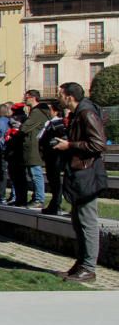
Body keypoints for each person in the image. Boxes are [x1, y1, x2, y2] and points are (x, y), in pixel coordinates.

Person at [53, 82, 107, 283]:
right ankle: (81, 264)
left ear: (69, 97)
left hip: (87, 174)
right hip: (78, 172)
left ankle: (89, 268)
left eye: (61, 94)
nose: (58, 97)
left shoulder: (86, 113)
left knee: (87, 222)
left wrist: (70, 145)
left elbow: (98, 144)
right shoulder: (77, 114)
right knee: (78, 221)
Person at [20, 89, 50, 209]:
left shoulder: (37, 112)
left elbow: (25, 128)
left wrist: (22, 124)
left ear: (33, 97)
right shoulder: (35, 111)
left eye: (26, 97)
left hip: (34, 146)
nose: (24, 99)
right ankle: (36, 197)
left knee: (35, 173)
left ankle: (39, 199)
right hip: (32, 145)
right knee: (33, 173)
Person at [40, 100, 67, 215]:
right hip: (50, 155)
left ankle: (56, 204)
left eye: (50, 109)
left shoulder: (58, 124)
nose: (48, 112)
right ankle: (55, 203)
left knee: (55, 180)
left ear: (56, 112)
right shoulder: (51, 123)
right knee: (53, 180)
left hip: (55, 156)